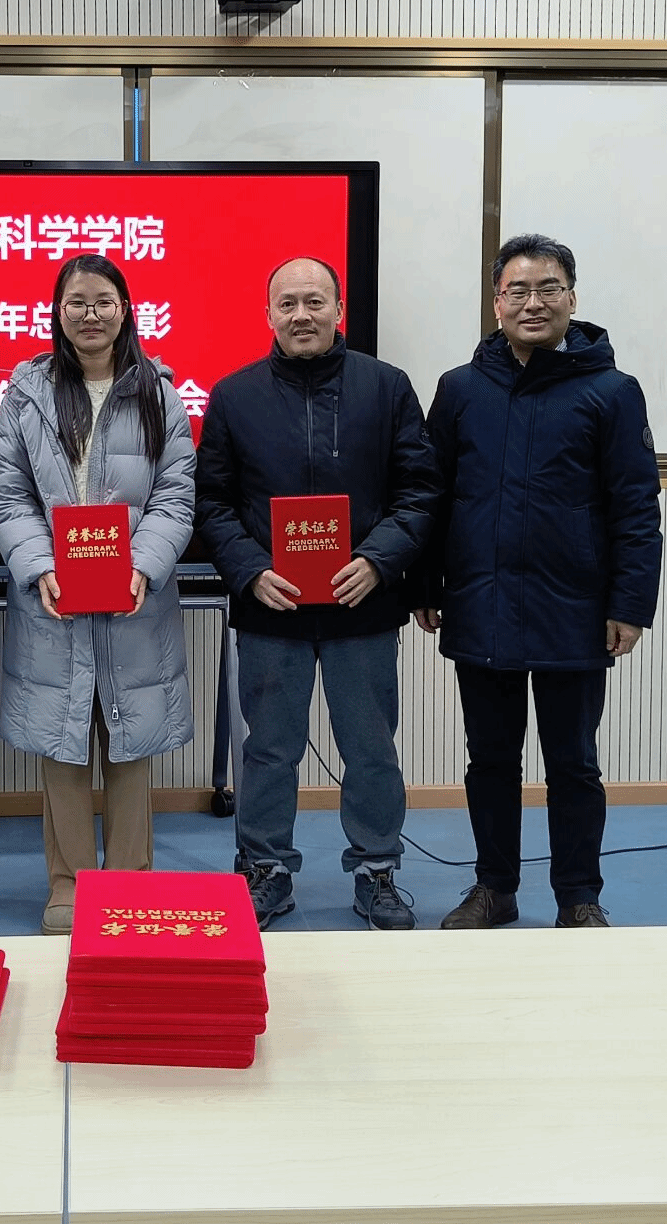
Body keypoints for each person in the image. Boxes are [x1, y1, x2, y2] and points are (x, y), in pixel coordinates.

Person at [416, 232, 662, 929]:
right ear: (496, 302)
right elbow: (432, 494)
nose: (533, 302)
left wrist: (630, 604)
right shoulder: (460, 389)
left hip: (575, 610)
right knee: (490, 760)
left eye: (548, 288)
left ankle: (578, 896)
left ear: (572, 299)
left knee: (573, 763)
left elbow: (636, 507)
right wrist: (424, 584)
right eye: (517, 290)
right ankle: (494, 888)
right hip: (481, 602)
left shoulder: (612, 392)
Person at [195, 256, 441, 930]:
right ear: (268, 314)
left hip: (363, 603)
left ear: (339, 309)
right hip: (270, 606)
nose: (301, 315)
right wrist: (250, 568)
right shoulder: (234, 395)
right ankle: (266, 867)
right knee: (268, 749)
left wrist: (378, 560)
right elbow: (211, 501)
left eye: (314, 301)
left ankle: (377, 868)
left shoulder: (387, 388)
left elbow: (420, 490)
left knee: (371, 748)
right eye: (287, 304)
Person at [0, 255, 197, 935]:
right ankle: (68, 885)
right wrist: (38, 565)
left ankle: (129, 885)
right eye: (76, 302)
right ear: (57, 311)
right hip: (53, 598)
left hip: (136, 597)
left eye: (103, 301)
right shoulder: (26, 394)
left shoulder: (158, 392)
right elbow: (8, 494)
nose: (90, 314)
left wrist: (145, 565)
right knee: (63, 742)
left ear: (125, 308)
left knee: (131, 744)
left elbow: (176, 494)